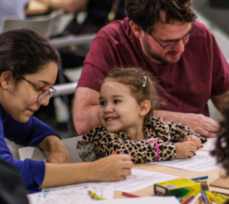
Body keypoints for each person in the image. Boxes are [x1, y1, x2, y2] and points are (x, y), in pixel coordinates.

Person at [0, 29, 133, 193]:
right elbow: (4, 172)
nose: (46, 101)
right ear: (7, 79)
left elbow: (32, 129)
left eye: (49, 90)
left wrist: (54, 144)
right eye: (39, 88)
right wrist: (94, 171)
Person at [73, 0, 229, 137]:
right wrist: (177, 120)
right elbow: (83, 119)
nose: (181, 48)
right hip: (141, 155)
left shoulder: (201, 35)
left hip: (199, 153)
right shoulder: (112, 42)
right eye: (169, 42)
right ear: (137, 29)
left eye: (186, 36)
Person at [77, 67, 207, 164]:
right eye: (103, 102)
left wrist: (191, 138)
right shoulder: (104, 137)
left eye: (116, 101)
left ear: (143, 108)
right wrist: (173, 150)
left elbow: (180, 129)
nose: (107, 109)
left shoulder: (154, 126)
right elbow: (124, 152)